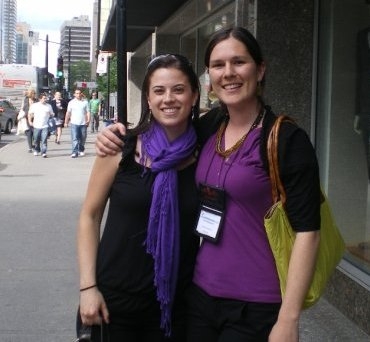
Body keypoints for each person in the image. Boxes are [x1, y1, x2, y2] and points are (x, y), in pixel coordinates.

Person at [95, 26, 321, 342]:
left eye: (239, 62)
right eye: (218, 65)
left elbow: (308, 232)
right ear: (209, 77)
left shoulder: (286, 140)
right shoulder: (208, 128)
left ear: (261, 69)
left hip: (256, 303)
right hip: (198, 297)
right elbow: (165, 130)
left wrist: (289, 318)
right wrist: (116, 135)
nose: (228, 73)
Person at [77, 54, 201, 341]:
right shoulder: (120, 147)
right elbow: (89, 216)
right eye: (159, 91)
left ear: (194, 96)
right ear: (148, 98)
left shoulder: (205, 153)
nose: (168, 98)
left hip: (173, 305)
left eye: (178, 89)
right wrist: (87, 288)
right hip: (114, 302)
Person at [64, 89, 90, 158]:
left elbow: (88, 112)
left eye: (79, 93)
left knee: (83, 137)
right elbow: (68, 113)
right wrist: (66, 122)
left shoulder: (85, 102)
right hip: (74, 123)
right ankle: (74, 152)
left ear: (81, 94)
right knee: (75, 138)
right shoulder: (71, 102)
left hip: (83, 123)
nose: (78, 95)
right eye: (77, 93)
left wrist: (88, 120)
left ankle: (81, 149)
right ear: (74, 94)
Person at [28, 93, 55, 158]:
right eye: (44, 98)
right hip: (36, 125)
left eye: (46, 98)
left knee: (44, 139)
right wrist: (30, 121)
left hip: (45, 126)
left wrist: (52, 114)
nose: (45, 99)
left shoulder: (49, 106)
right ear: (40, 99)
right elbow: (30, 114)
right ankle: (36, 150)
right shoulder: (34, 105)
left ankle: (44, 152)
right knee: (36, 139)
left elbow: (52, 114)